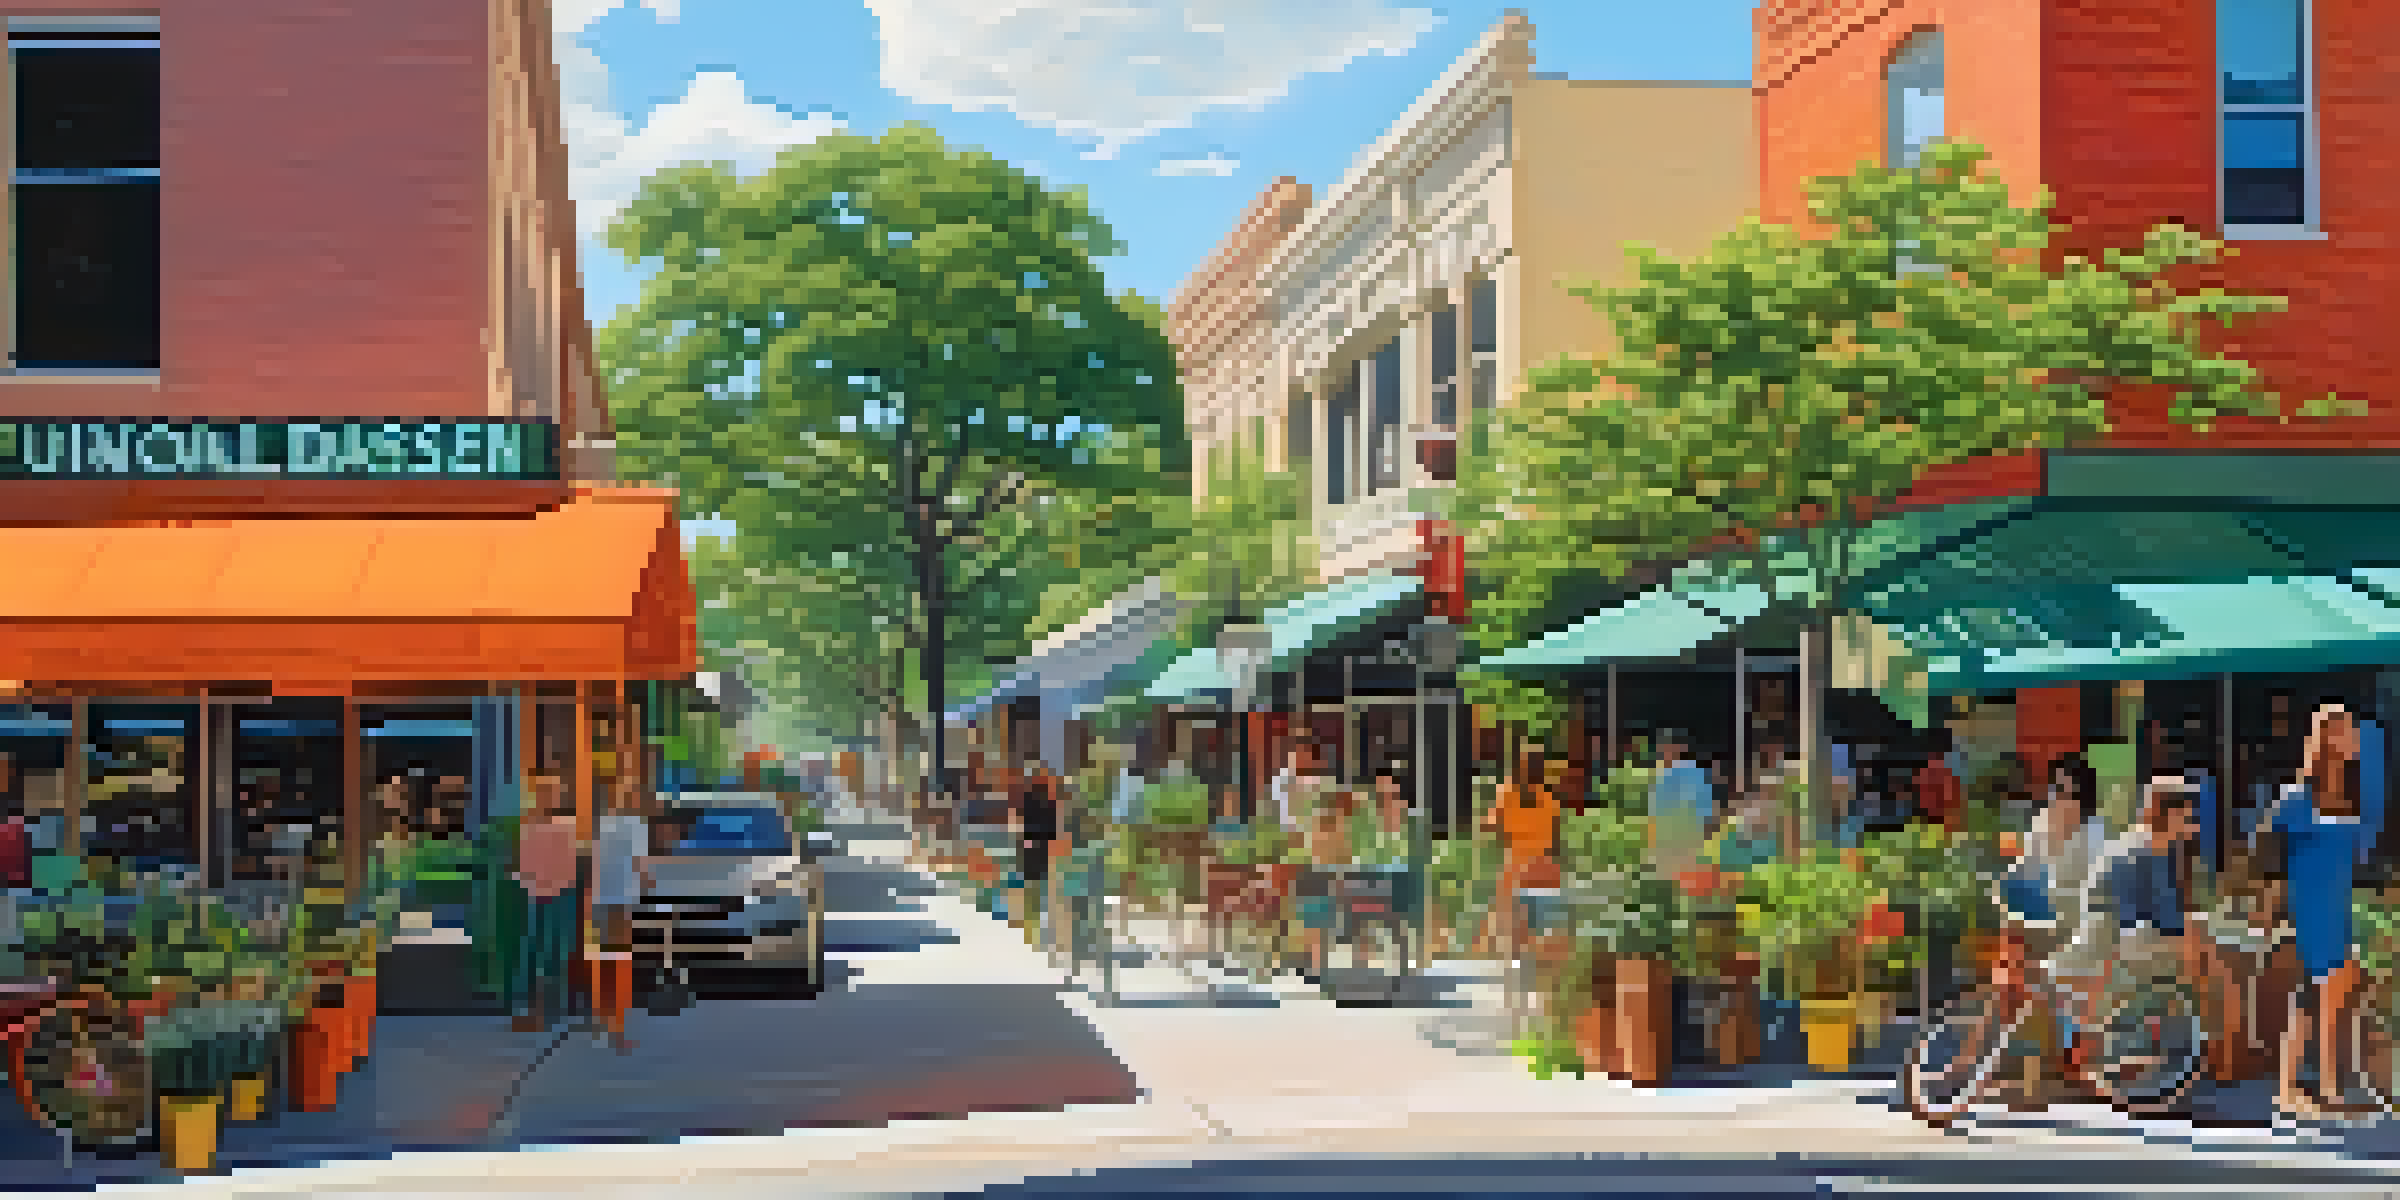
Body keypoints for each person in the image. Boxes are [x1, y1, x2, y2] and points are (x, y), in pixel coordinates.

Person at [2257, 702, 2373, 1119]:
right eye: (2347, 731)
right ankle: (2315, 1090)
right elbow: (2266, 847)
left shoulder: (2348, 795)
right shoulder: (2298, 798)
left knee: (2320, 999)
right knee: (2322, 994)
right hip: (2309, 910)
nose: (2355, 738)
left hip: (2337, 907)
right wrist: (2270, 901)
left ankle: (2304, 1089)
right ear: (2328, 740)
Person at [512, 771, 582, 1033]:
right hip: (536, 896)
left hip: (559, 896)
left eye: (552, 792)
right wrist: (529, 884)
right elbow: (523, 864)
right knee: (532, 954)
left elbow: (570, 865)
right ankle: (530, 1010)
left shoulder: (568, 826)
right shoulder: (528, 826)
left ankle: (552, 1010)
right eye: (543, 792)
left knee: (555, 954)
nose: (547, 797)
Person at [588, 786, 650, 1052]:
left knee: (602, 960)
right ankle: (618, 1028)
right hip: (622, 900)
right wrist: (647, 889)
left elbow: (592, 862)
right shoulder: (636, 826)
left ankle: (601, 1025)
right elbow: (641, 866)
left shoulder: (600, 825)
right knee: (621, 961)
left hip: (599, 898)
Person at [1648, 732, 1715, 876]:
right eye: (1662, 749)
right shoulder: (1661, 775)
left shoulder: (1690, 773)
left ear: (1679, 748)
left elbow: (1703, 805)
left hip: (1686, 836)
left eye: (1668, 748)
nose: (1664, 753)